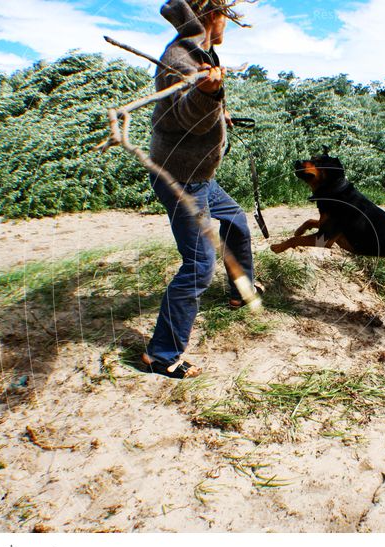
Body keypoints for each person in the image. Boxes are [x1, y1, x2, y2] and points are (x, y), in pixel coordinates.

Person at [142, 0, 258, 379]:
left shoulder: (200, 51)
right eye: (226, 15)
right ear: (212, 13)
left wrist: (217, 106)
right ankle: (161, 354)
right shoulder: (178, 58)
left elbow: (187, 109)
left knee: (236, 221)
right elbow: (186, 115)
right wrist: (208, 96)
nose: (228, 24)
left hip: (199, 176)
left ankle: (241, 291)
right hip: (181, 180)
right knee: (198, 266)